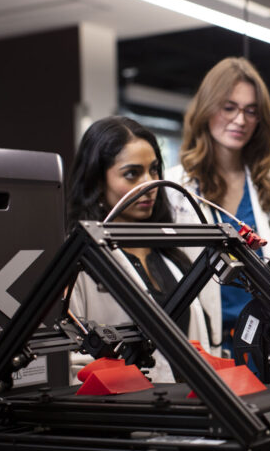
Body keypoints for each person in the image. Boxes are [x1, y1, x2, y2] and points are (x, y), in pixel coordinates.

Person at [165, 57, 270, 357]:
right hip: (200, 346)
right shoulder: (174, 187)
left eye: (251, 111)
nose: (240, 120)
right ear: (206, 109)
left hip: (267, 344)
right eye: (229, 107)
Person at [67, 116, 209, 382]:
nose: (149, 185)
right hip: (126, 418)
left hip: (191, 412)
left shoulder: (172, 259)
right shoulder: (79, 266)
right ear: (98, 182)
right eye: (132, 174)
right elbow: (73, 363)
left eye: (154, 170)